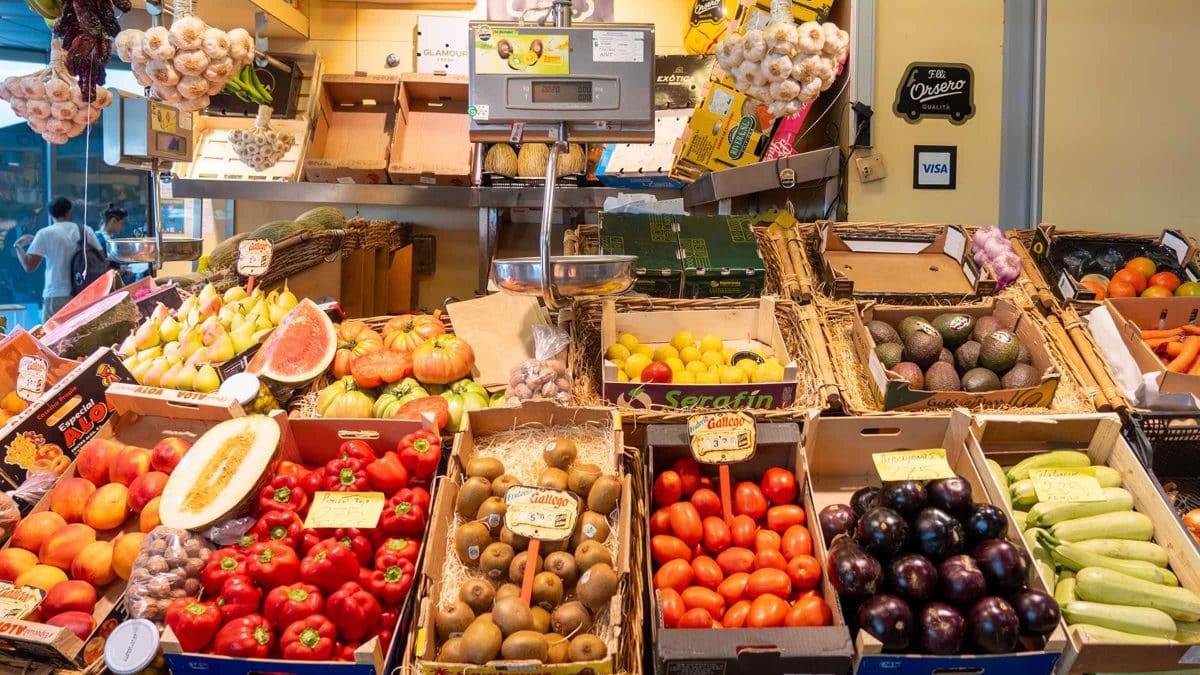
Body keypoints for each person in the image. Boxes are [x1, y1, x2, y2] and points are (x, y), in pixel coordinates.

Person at [14, 197, 104, 322]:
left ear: (50, 214)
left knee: (52, 332)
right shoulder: (85, 230)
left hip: (55, 293)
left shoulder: (45, 233)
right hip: (83, 292)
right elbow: (101, 257)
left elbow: (29, 266)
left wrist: (18, 246)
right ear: (69, 211)